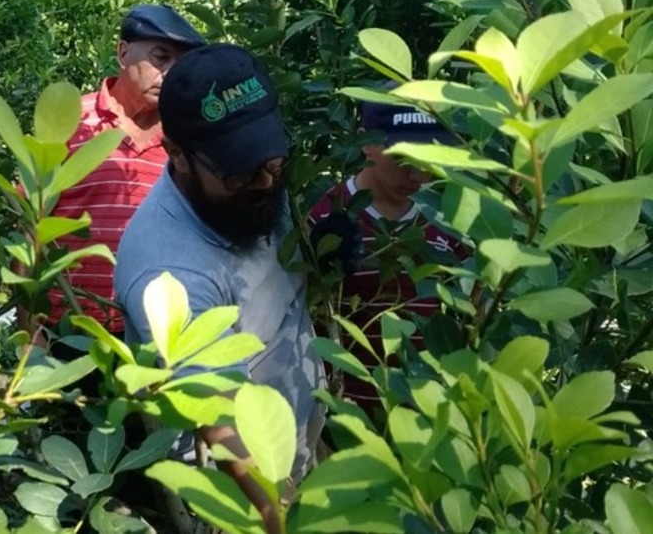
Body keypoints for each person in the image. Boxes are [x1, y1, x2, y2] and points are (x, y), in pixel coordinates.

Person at [114, 43, 326, 532]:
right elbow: (220, 421)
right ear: (177, 155)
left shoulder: (250, 187)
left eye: (271, 159)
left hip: (295, 438)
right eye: (238, 171)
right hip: (237, 491)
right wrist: (276, 516)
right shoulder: (169, 272)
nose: (264, 180)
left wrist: (321, 248)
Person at [44, 4, 205, 337]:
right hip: (66, 331)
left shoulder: (186, 139)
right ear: (122, 52)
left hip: (153, 337)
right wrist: (29, 324)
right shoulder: (71, 121)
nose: (170, 73)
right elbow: (29, 222)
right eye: (161, 58)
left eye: (180, 64)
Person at [308, 100, 467, 414]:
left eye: (427, 158)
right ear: (367, 144)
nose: (417, 174)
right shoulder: (324, 218)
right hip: (343, 416)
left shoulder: (449, 219)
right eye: (401, 157)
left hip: (428, 412)